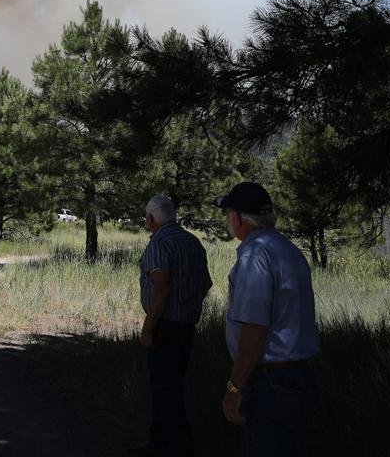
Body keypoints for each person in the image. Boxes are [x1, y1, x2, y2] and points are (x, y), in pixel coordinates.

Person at [215, 182, 319, 456]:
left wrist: (234, 388)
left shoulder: (254, 255)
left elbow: (254, 328)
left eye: (228, 214)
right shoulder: (287, 249)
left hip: (271, 384)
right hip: (297, 376)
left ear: (237, 218)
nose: (228, 220)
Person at [129, 195, 212, 457]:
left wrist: (147, 328)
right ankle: (157, 444)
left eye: (146, 217)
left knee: (167, 393)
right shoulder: (192, 242)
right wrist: (188, 303)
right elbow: (206, 283)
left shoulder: (159, 244)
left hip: (165, 327)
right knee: (168, 386)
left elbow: (161, 290)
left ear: (151, 219)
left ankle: (179, 448)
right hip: (187, 325)